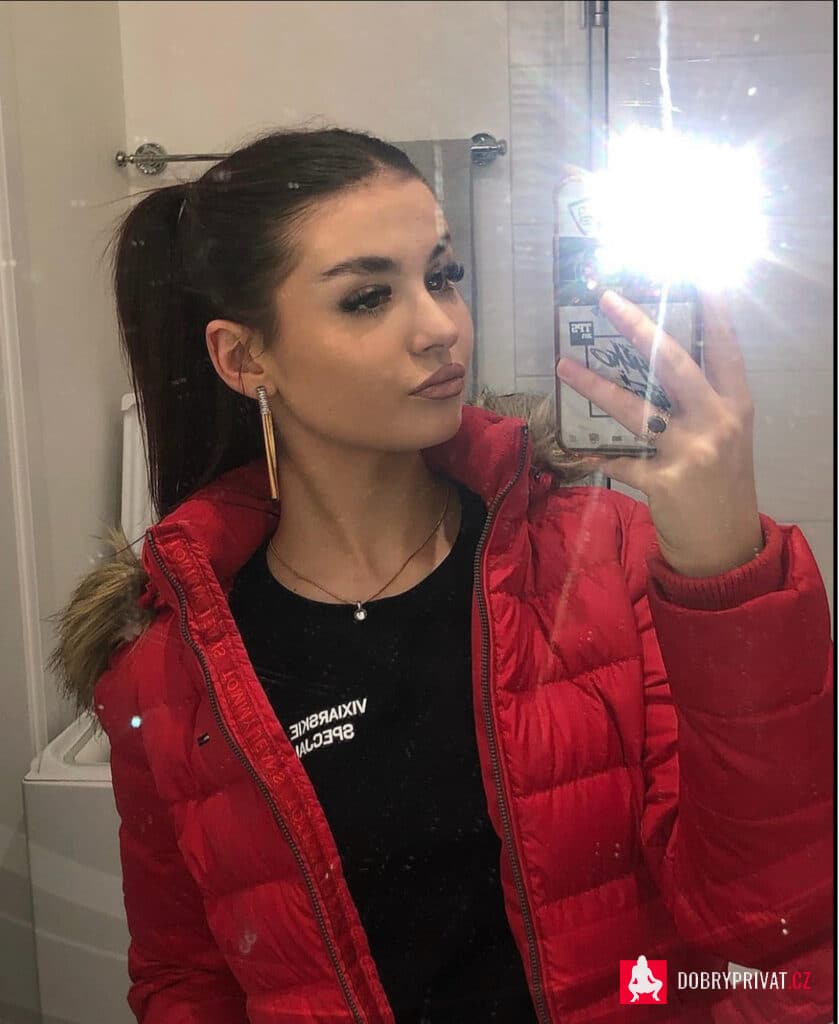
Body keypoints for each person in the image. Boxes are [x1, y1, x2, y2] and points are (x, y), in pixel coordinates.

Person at [48, 127, 833, 1024]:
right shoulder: (167, 662)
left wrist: (724, 565)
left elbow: (766, 922)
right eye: (368, 296)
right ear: (243, 358)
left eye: (443, 275)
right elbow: (185, 977)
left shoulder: (604, 563)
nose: (439, 327)